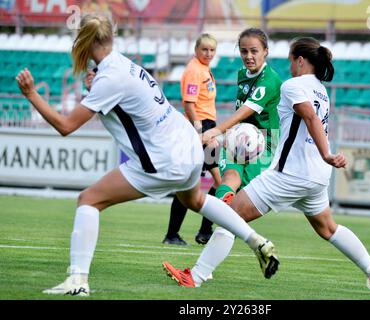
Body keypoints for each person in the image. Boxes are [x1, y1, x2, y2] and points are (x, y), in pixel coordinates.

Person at [15, 14, 279, 296]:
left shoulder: (109, 77)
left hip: (164, 158)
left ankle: (78, 280)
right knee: (196, 200)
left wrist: (31, 93)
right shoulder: (123, 64)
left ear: (86, 41)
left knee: (88, 200)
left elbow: (65, 126)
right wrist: (94, 88)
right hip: (187, 144)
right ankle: (256, 241)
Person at [163, 37, 370, 296]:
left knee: (230, 217)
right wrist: (325, 157)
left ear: (300, 60)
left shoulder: (294, 85)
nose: (289, 65)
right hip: (316, 177)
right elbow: (312, 120)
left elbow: (310, 117)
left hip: (290, 174)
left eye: (291, 60)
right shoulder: (321, 90)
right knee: (328, 228)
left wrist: (327, 153)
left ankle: (196, 276)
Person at [201, 28, 282, 208]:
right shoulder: (242, 74)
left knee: (241, 199)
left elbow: (244, 111)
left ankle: (218, 222)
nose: (248, 56)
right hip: (238, 138)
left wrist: (215, 131)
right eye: (244, 51)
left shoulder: (270, 80)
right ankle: (214, 223)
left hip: (264, 144)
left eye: (254, 51)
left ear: (265, 51)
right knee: (229, 179)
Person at [162, 33, 221, 246]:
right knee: (219, 179)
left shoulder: (203, 69)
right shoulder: (195, 70)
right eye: (204, 49)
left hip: (207, 126)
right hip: (201, 126)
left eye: (212, 50)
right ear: (196, 50)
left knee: (192, 182)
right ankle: (204, 231)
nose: (208, 53)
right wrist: (198, 130)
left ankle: (179, 233)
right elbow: (189, 104)